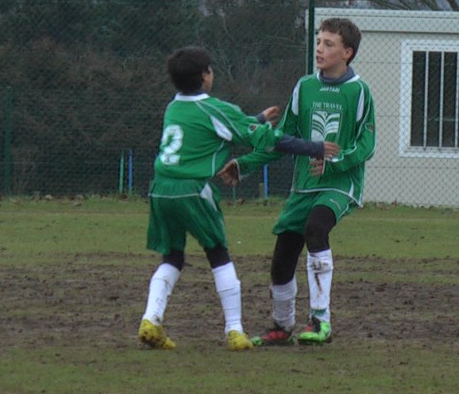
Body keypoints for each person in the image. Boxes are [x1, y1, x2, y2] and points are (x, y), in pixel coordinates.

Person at [138, 46, 338, 351]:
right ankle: (234, 330)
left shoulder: (173, 107)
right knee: (218, 255)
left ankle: (151, 319)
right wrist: (314, 148)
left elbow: (215, 128)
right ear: (205, 76)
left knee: (173, 257)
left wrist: (255, 118)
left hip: (160, 189)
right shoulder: (214, 108)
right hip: (192, 190)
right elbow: (266, 138)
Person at [218, 17, 376, 346]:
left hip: (339, 184)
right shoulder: (304, 87)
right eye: (318, 41)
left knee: (316, 229)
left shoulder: (359, 91)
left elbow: (366, 145)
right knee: (282, 257)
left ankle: (321, 320)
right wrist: (244, 165)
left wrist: (335, 161)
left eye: (328, 44)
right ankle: (281, 326)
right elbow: (282, 140)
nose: (319, 48)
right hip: (303, 186)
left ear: (347, 52)